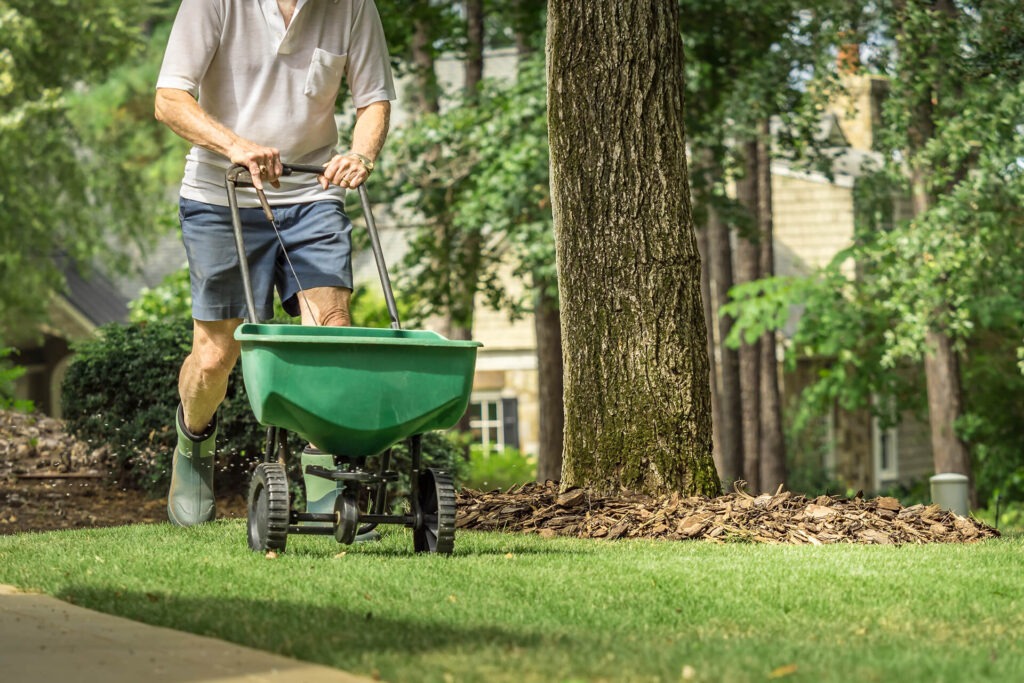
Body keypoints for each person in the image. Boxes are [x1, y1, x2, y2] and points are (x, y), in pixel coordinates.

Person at [154, 0, 396, 527]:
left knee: (328, 336)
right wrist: (235, 144)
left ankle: (326, 482)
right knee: (216, 355)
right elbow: (170, 99)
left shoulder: (353, 6)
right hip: (222, 194)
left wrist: (360, 155)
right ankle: (194, 444)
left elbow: (374, 99)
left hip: (313, 193)